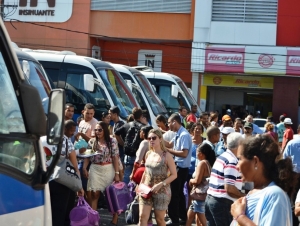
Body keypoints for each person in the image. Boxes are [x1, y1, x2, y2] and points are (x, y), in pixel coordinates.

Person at [231, 135, 296, 226]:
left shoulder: (275, 195)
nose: (237, 166)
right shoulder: (252, 191)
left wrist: (240, 217)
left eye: (240, 159)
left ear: (255, 161)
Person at [83, 121, 120, 225]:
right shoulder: (91, 141)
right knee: (94, 194)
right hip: (95, 168)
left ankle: (115, 217)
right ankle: (94, 219)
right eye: (96, 130)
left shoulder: (112, 141)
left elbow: (115, 157)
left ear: (105, 130)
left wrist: (117, 173)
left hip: (108, 168)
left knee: (111, 195)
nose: (97, 132)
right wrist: (85, 168)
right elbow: (87, 156)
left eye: (100, 130)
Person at [138, 129, 177, 226]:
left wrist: (161, 184)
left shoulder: (167, 155)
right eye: (149, 138)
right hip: (147, 189)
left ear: (160, 139)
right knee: (142, 217)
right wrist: (140, 185)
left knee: (159, 219)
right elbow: (146, 171)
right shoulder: (148, 153)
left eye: (154, 138)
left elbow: (174, 175)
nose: (151, 140)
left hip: (162, 190)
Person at [49, 120, 84, 226]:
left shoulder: (42, 139)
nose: (73, 133)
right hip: (64, 181)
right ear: (63, 129)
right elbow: (74, 165)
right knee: (62, 213)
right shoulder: (65, 141)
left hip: (46, 180)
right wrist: (79, 186)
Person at [205, 132, 245, 226]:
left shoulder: (222, 157)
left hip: (212, 200)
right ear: (239, 145)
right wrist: (244, 196)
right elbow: (229, 189)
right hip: (222, 203)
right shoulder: (232, 161)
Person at [164, 113, 193, 225]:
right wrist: (159, 137)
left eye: (169, 123)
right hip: (180, 168)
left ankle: (174, 219)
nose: (168, 125)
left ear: (174, 122)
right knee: (179, 194)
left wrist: (168, 151)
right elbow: (171, 145)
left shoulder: (183, 135)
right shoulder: (179, 133)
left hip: (180, 168)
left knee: (174, 194)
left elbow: (184, 153)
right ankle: (181, 217)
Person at [186, 143, 216, 226]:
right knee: (190, 215)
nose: (196, 154)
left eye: (197, 152)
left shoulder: (202, 163)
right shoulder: (209, 163)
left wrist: (190, 181)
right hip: (202, 195)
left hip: (200, 196)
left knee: (204, 222)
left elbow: (197, 181)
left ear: (201, 154)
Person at [115, 107, 147, 184]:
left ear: (132, 116)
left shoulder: (127, 125)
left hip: (128, 155)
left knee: (127, 176)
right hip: (140, 156)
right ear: (141, 116)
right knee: (138, 177)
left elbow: (116, 133)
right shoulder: (143, 127)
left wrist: (123, 144)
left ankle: (125, 193)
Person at [75, 103, 98, 194]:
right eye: (87, 113)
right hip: (78, 153)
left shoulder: (94, 122)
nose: (89, 116)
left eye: (91, 114)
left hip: (87, 155)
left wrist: (81, 134)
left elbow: (92, 140)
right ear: (83, 112)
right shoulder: (81, 122)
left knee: (84, 179)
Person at [283, 124, 300, 226]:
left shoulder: (291, 143)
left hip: (294, 176)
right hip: (294, 175)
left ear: (298, 131)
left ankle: (293, 222)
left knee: (293, 201)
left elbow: (285, 161)